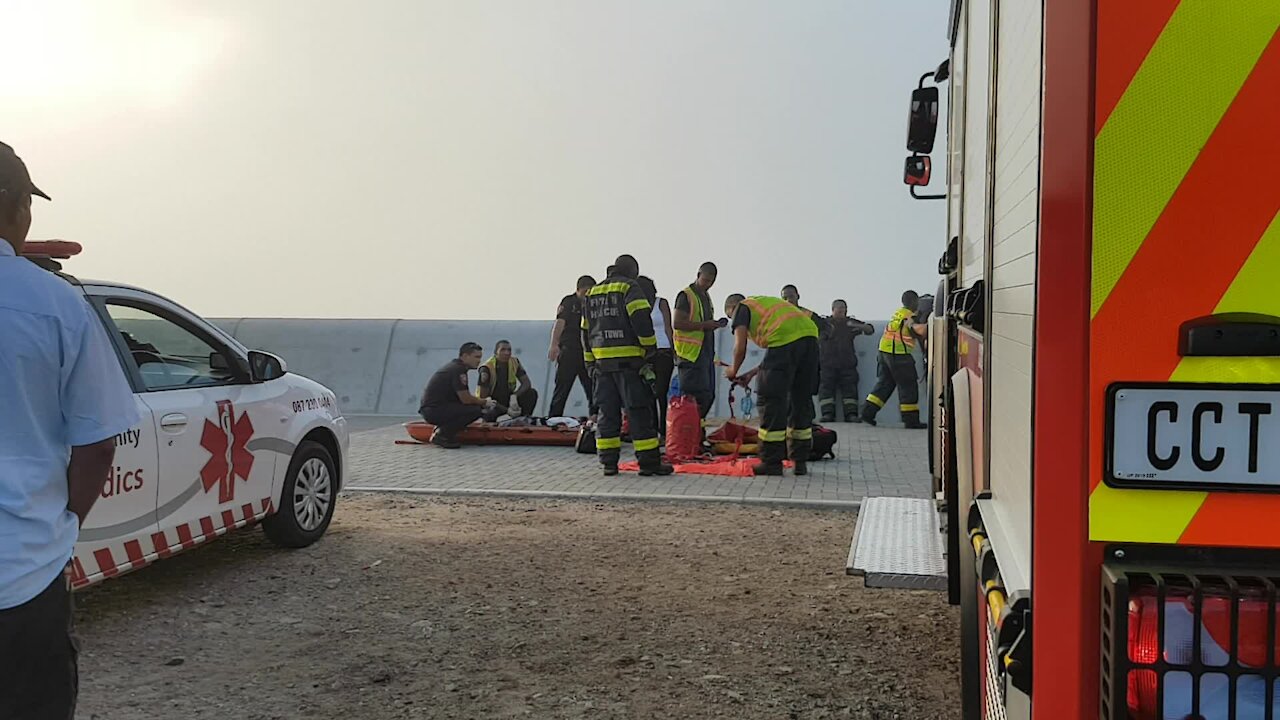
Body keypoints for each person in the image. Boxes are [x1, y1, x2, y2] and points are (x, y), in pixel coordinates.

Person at [0, 142, 140, 719]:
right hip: (20, 575)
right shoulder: (54, 303)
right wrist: (66, 523)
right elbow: (97, 439)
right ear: (15, 207)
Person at [581, 255, 672, 476]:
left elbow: (585, 331)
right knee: (639, 412)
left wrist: (590, 361)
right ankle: (649, 464)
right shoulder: (629, 287)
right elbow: (641, 320)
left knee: (607, 414)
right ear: (632, 271)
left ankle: (609, 463)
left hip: (602, 364)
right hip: (630, 363)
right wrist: (649, 349)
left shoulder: (592, 292)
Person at [723, 294, 820, 477]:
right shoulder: (766, 306)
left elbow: (740, 347)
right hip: (810, 340)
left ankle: (771, 462)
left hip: (786, 342)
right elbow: (782, 354)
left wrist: (732, 370)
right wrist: (752, 374)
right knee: (800, 401)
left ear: (732, 308)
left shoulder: (741, 308)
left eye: (731, 318)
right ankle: (800, 462)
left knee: (770, 400)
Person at [861, 290, 929, 429]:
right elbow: (915, 328)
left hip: (884, 352)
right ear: (913, 301)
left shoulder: (898, 313)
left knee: (885, 384)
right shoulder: (909, 316)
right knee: (908, 387)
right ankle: (911, 421)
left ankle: (867, 413)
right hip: (899, 355)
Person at [672, 261, 725, 419]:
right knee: (693, 397)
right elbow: (677, 323)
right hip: (690, 355)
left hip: (705, 353)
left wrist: (714, 324)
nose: (708, 284)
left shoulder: (705, 297)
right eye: (706, 280)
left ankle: (696, 432)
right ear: (698, 275)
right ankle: (689, 434)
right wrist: (704, 325)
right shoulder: (686, 295)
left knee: (707, 395)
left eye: (712, 281)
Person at [419, 342, 492, 448]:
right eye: (476, 357)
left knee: (473, 408)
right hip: (433, 410)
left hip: (433, 409)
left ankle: (446, 432)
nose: (479, 360)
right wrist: (485, 402)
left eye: (480, 357)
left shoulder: (455, 367)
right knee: (476, 410)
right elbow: (466, 399)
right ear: (465, 356)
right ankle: (442, 435)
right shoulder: (458, 370)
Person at [818, 299, 875, 423]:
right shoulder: (824, 324)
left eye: (843, 309)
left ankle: (851, 415)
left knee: (850, 390)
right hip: (827, 364)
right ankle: (827, 414)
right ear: (832, 310)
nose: (841, 312)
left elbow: (870, 330)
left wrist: (856, 326)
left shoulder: (850, 323)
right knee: (826, 390)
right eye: (839, 309)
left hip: (847, 364)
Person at [548, 275, 596, 417]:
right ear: (578, 290)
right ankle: (554, 418)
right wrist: (554, 345)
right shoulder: (569, 302)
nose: (588, 294)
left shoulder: (594, 303)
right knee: (562, 388)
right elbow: (559, 323)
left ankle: (595, 417)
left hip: (587, 352)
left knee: (592, 389)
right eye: (585, 291)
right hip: (569, 350)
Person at [636, 275, 674, 435]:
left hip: (663, 351)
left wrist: (674, 350)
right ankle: (652, 428)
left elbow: (668, 327)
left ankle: (663, 430)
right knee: (647, 393)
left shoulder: (661, 303)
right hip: (646, 353)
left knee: (660, 391)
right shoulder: (637, 305)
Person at [477, 340, 538, 419]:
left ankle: (524, 420)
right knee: (489, 411)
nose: (507, 353)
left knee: (531, 393)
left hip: (508, 399)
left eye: (509, 350)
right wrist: (507, 410)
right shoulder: (487, 368)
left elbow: (526, 383)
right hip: (492, 402)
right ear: (496, 352)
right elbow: (484, 397)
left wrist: (514, 396)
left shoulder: (514, 362)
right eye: (503, 350)